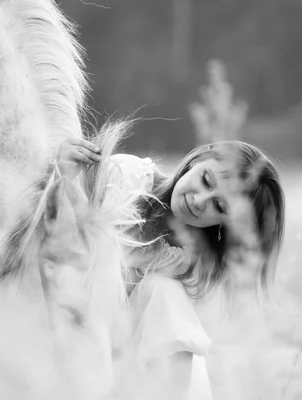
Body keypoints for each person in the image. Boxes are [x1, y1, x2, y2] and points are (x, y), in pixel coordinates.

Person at [55, 134, 285, 399]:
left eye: (218, 205)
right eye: (206, 180)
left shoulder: (188, 256)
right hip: (71, 330)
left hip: (134, 366)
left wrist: (146, 273)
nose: (199, 201)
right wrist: (61, 176)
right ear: (197, 159)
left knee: (164, 290)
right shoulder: (125, 177)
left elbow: (145, 325)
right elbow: (54, 247)